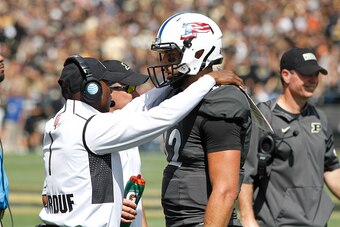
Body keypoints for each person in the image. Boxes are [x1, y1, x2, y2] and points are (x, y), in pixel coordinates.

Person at [38, 54, 245, 226]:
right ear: (92, 88)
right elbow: (162, 117)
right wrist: (207, 81)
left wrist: (173, 82)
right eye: (105, 84)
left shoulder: (60, 122)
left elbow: (137, 109)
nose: (109, 91)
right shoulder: (90, 128)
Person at [147, 12, 252, 227]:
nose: (165, 64)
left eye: (172, 57)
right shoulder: (180, 95)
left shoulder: (221, 100)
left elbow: (225, 189)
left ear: (199, 51)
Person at [238, 47, 340, 227]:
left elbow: (331, 168)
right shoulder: (264, 117)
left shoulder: (320, 118)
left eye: (316, 74)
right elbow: (247, 174)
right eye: (306, 74)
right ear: (285, 75)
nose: (313, 80)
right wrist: (248, 219)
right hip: (276, 223)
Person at [104, 59, 149, 227]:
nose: (137, 94)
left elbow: (135, 198)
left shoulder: (128, 133)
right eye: (129, 88)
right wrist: (112, 207)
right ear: (107, 91)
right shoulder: (92, 134)